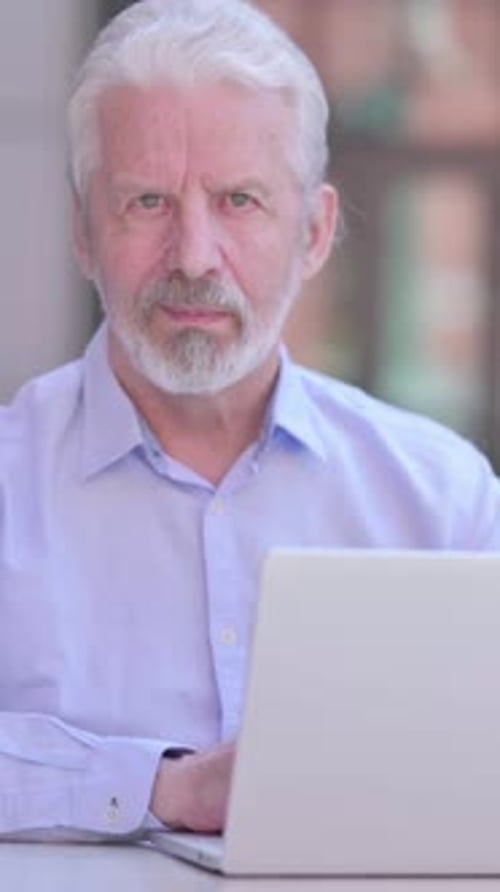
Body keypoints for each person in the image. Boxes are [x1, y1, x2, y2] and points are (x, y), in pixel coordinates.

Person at [0, 0, 499, 841]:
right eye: (148, 202)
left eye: (238, 201)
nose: (194, 256)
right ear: (84, 236)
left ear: (315, 233)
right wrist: (159, 789)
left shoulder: (446, 502)